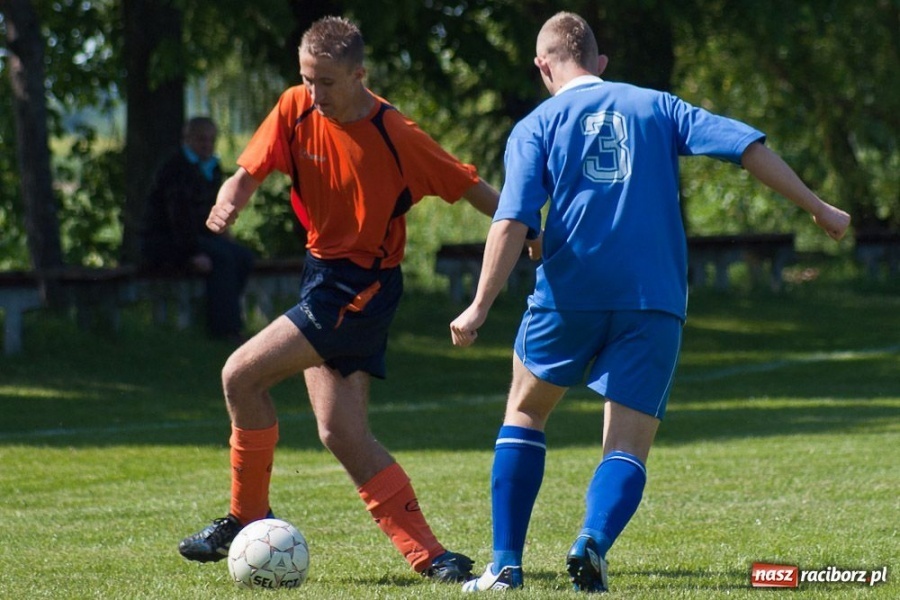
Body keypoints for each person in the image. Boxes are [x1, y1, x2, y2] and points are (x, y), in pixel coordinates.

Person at [450, 11, 851, 593]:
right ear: (600, 62)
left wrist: (480, 304)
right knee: (627, 444)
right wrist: (819, 208)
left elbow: (512, 218)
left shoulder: (537, 124)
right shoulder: (657, 106)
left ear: (543, 66)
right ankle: (592, 540)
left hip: (569, 295)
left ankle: (505, 565)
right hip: (653, 298)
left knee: (526, 411)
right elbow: (746, 145)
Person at [177, 16, 508, 583]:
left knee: (241, 375)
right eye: (307, 78)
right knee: (341, 433)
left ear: (360, 75)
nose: (314, 92)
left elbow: (475, 190)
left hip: (361, 287)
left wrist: (532, 233)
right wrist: (230, 199)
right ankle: (433, 557)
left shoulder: (397, 134)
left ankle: (244, 515)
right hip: (320, 277)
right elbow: (247, 173)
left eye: (326, 82)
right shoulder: (295, 107)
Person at [140, 117, 255, 341]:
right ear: (188, 139)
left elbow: (215, 208)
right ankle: (224, 330)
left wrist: (225, 234)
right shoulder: (176, 168)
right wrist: (192, 253)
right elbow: (177, 218)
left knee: (243, 256)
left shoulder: (212, 168)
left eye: (211, 140)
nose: (207, 145)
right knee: (222, 258)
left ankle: (228, 316)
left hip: (200, 237)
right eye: (202, 139)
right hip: (167, 240)